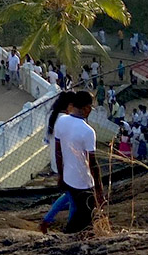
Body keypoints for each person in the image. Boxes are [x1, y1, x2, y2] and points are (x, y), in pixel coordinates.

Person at [53, 90, 104, 233]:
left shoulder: (61, 121)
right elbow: (93, 164)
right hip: (83, 182)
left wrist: (61, 176)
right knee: (85, 218)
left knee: (76, 210)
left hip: (68, 177)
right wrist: (99, 190)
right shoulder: (88, 131)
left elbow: (58, 153)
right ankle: (66, 237)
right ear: (87, 108)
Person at [39, 93, 76, 234]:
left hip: (57, 162)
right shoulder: (65, 119)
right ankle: (70, 227)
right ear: (69, 105)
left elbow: (47, 140)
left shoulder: (51, 116)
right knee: (73, 198)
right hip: (66, 162)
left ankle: (47, 220)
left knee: (70, 194)